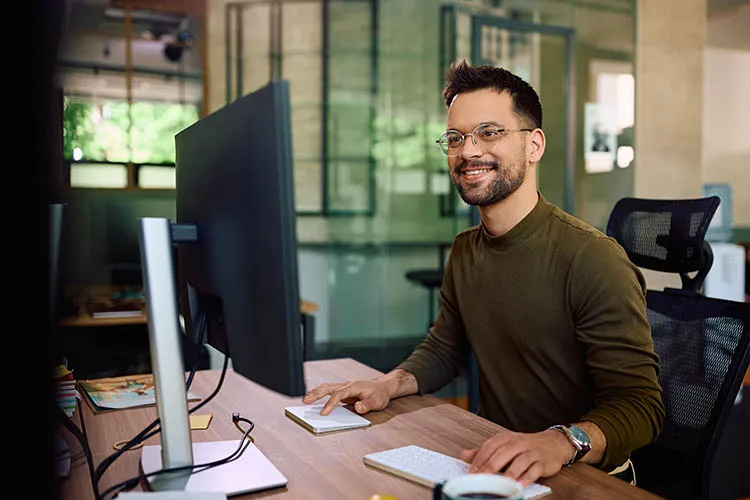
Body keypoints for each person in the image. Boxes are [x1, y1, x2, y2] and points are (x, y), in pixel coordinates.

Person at [301, 60, 664, 487]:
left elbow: (641, 405)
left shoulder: (592, 258)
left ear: (534, 146)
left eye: (490, 133)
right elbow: (444, 349)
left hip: (584, 478)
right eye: (456, 138)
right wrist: (388, 385)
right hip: (495, 465)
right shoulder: (464, 251)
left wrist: (562, 442)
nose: (469, 151)